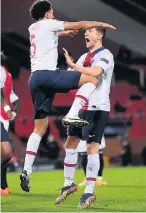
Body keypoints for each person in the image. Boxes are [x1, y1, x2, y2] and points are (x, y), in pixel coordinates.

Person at [19, 0, 116, 192]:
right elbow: (79, 24)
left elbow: (46, 36)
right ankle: (72, 114)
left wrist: (62, 34)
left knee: (39, 128)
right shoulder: (50, 23)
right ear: (47, 14)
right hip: (49, 75)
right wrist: (100, 24)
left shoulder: (33, 27)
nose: (54, 14)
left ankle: (26, 169)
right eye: (52, 12)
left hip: (34, 79)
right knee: (91, 78)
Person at [55, 27, 114, 208]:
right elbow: (74, 78)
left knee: (91, 148)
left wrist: (74, 66)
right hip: (81, 108)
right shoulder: (83, 57)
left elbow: (95, 73)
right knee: (70, 144)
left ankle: (89, 191)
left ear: (100, 35)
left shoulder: (106, 55)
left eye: (90, 31)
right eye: (85, 32)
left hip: (97, 108)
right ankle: (69, 183)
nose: (86, 34)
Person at [0, 53, 21, 195]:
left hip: (4, 118)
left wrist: (14, 111)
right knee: (6, 152)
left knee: (5, 155)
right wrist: (8, 109)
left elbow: (11, 96)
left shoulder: (6, 74)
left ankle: (3, 186)